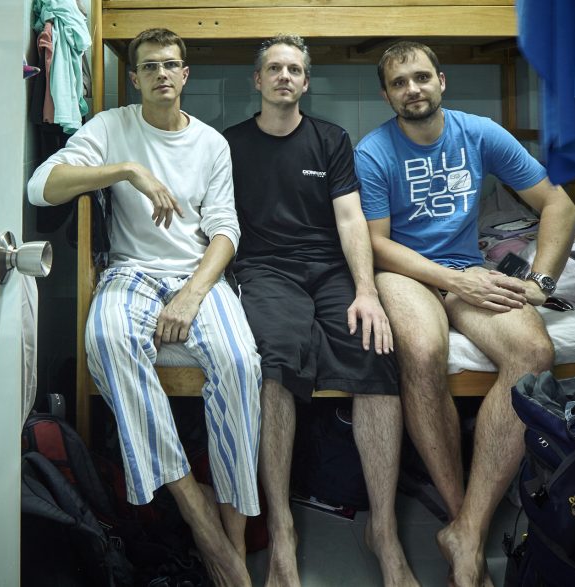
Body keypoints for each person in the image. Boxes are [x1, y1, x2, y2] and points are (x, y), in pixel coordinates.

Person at [26, 28, 262, 587]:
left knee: (239, 362)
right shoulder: (113, 127)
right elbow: (41, 186)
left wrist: (192, 293)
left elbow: (225, 230)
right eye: (150, 66)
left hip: (197, 274)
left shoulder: (211, 143)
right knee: (107, 341)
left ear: (185, 74)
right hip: (131, 272)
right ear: (134, 78)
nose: (162, 74)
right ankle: (196, 512)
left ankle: (232, 535)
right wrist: (126, 170)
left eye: (171, 65)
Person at [354, 41, 575, 586]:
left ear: (441, 81)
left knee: (534, 351)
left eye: (421, 77)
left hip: (465, 269)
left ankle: (467, 531)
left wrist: (538, 284)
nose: (412, 89)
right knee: (423, 349)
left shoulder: (479, 133)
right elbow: (377, 244)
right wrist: (454, 280)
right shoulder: (373, 151)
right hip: (406, 272)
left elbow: (560, 205)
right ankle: (459, 513)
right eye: (399, 83)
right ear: (386, 95)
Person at [223, 35, 419, 587]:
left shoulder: (331, 139)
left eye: (294, 70)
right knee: (276, 359)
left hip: (330, 270)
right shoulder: (229, 144)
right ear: (258, 80)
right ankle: (281, 527)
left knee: (375, 350)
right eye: (274, 69)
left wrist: (366, 290)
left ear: (306, 82)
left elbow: (352, 220)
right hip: (265, 270)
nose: (284, 76)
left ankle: (384, 531)